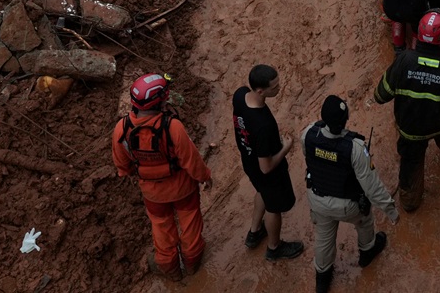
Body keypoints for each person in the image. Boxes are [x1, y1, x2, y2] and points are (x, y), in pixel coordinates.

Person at [373, 9, 440, 211]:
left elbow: (381, 95)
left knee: (410, 167)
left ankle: (410, 201)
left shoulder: (403, 61)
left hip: (410, 131)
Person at [112, 73, 215, 278]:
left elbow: (122, 167)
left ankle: (172, 271)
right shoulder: (173, 127)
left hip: (152, 193)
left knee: (161, 229)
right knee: (190, 223)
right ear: (161, 100)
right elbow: (191, 160)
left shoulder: (121, 129)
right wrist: (205, 176)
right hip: (183, 189)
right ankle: (192, 264)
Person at [303, 96, 398, 293]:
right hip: (347, 205)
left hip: (317, 200)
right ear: (346, 119)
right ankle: (367, 250)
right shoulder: (355, 148)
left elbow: (310, 157)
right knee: (365, 219)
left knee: (323, 237)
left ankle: (322, 277)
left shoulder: (308, 135)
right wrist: (391, 211)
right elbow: (372, 187)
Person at [233, 65, 305, 261]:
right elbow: (266, 167)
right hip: (268, 171)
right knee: (274, 208)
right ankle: (274, 248)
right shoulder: (263, 124)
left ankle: (254, 232)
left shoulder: (239, 95)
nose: (279, 88)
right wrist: (286, 148)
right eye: (274, 87)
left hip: (249, 163)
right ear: (260, 90)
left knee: (262, 192)